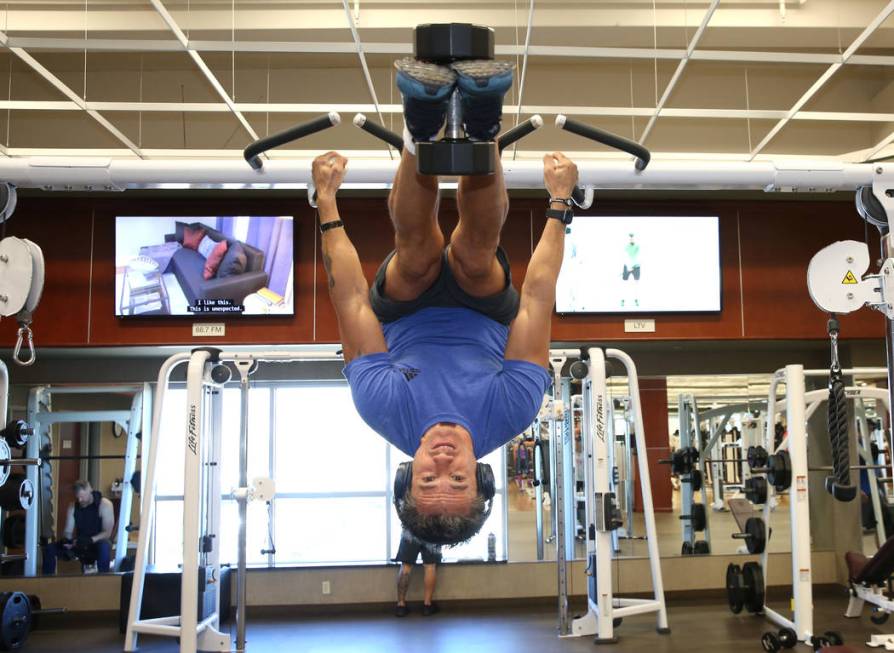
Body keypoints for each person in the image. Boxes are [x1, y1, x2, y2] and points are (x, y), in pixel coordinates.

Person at [312, 56, 578, 545]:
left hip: (406, 308)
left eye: (426, 479)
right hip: (483, 308)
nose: (441, 463)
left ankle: (421, 125)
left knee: (416, 254)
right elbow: (537, 299)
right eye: (456, 479)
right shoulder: (513, 410)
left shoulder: (381, 408)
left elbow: (351, 300)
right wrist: (560, 203)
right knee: (475, 254)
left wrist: (326, 201)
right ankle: (484, 126)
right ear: (480, 477)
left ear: (405, 475)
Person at [42, 480, 115, 574]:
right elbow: (68, 531)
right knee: (50, 549)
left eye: (82, 497)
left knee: (104, 547)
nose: (80, 500)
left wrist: (90, 540)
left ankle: (103, 579)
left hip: (97, 542)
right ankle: (47, 581)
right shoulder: (73, 506)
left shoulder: (105, 505)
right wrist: (68, 541)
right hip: (80, 543)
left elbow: (107, 533)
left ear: (89, 490)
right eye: (78, 497)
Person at [393, 528, 442, 617]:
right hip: (433, 531)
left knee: (405, 566)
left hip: (410, 530)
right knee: (430, 566)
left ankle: (401, 606)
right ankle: (427, 605)